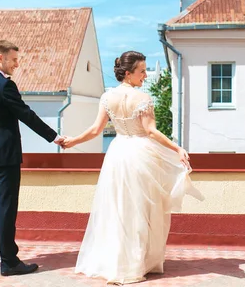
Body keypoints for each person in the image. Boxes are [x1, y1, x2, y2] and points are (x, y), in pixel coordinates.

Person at [60, 50, 204, 285]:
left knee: (118, 207)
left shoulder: (107, 98)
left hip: (117, 153)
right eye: (142, 71)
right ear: (128, 74)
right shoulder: (143, 99)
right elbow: (150, 131)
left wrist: (72, 141)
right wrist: (177, 148)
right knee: (141, 209)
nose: (145, 75)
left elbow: (96, 130)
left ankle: (117, 262)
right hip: (139, 155)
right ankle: (136, 263)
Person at [0, 40, 63, 276]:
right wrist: (53, 137)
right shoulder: (4, 86)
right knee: (6, 208)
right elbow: (26, 115)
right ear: (0, 58)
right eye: (13, 59)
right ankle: (9, 262)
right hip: (4, 157)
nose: (17, 64)